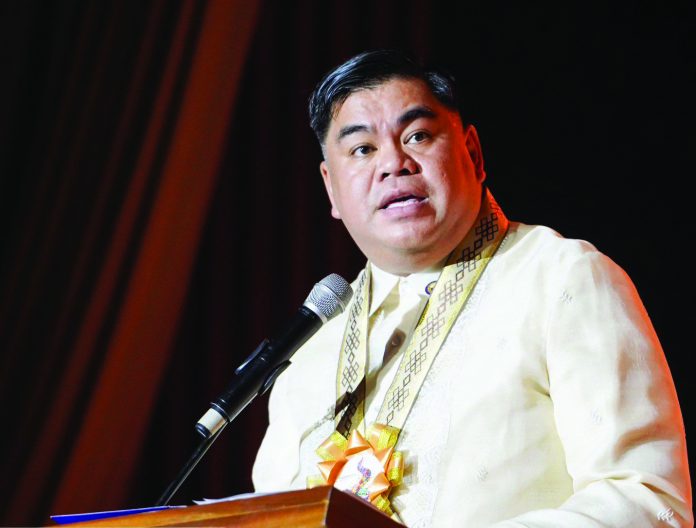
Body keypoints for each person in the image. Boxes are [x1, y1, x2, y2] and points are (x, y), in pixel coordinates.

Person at [251, 49, 692, 527]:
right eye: (362, 149)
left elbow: (647, 500)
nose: (394, 163)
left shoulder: (561, 277)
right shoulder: (313, 345)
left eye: (418, 136)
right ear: (331, 188)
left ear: (474, 154)